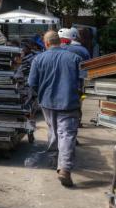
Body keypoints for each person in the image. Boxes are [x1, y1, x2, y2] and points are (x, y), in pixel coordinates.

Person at [28, 29, 83, 187]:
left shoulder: (38, 59)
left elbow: (32, 83)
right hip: (69, 102)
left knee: (53, 130)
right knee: (66, 134)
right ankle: (64, 168)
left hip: (47, 102)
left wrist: (42, 94)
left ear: (46, 43)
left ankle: (54, 160)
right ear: (60, 41)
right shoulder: (75, 58)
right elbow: (84, 81)